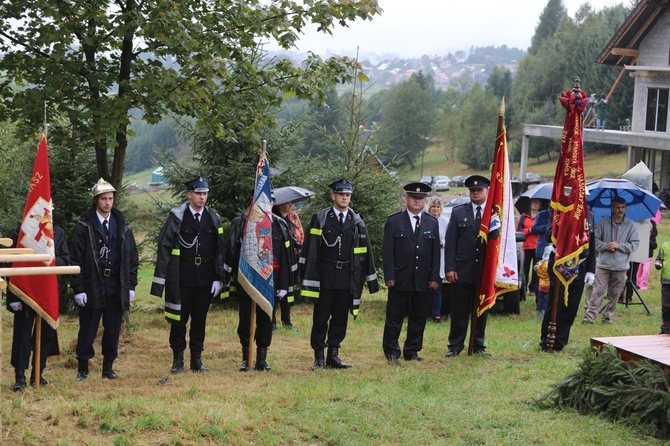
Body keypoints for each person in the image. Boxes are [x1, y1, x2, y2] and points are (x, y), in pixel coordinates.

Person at [300, 179, 379, 370]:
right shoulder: (321, 218)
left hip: (347, 277)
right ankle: (319, 356)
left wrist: (370, 280)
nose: (345, 198)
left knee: (340, 317)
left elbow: (366, 250)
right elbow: (309, 250)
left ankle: (333, 355)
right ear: (333, 196)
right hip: (325, 276)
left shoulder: (356, 221)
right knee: (321, 317)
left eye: (348, 195)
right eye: (341, 194)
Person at [151, 177, 224, 374]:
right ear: (189, 194)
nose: (202, 197)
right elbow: (164, 248)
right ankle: (178, 359)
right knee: (178, 320)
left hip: (205, 279)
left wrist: (218, 277)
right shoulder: (177, 218)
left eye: (205, 193)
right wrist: (160, 282)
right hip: (182, 278)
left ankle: (197, 359)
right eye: (199, 193)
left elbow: (220, 250)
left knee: (200, 320)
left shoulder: (213, 217)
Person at [70, 178, 139, 380]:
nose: (107, 203)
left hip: (116, 285)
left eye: (110, 199)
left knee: (113, 328)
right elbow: (76, 259)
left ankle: (108, 368)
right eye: (103, 199)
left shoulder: (122, 224)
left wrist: (131, 286)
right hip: (92, 284)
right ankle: (83, 368)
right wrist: (79, 288)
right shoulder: (84, 226)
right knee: (88, 328)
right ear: (96, 200)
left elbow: (132, 258)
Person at [225, 193, 296, 372]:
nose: (266, 203)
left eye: (269, 200)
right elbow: (231, 252)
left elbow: (286, 258)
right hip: (247, 280)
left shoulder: (279, 225)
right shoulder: (241, 222)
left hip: (271, 281)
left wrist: (283, 285)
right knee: (245, 320)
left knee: (266, 320)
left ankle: (261, 359)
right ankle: (245, 358)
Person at [382, 183, 440, 364]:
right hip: (400, 277)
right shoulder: (394, 221)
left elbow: (435, 253)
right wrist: (390, 274)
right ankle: (392, 351)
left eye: (421, 198)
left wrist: (434, 277)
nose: (417, 200)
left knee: (419, 316)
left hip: (423, 278)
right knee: (395, 317)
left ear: (425, 200)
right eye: (413, 197)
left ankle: (412, 350)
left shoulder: (432, 222)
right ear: (406, 199)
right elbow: (387, 251)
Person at [6, 225, 70, 391]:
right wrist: (13, 296)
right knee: (22, 335)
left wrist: (49, 259)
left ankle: (38, 373)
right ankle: (20, 376)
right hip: (24, 290)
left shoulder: (57, 232)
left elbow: (65, 258)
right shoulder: (18, 232)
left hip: (47, 291)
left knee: (47, 334)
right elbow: (8, 261)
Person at [444, 174, 491, 357]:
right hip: (462, 270)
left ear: (487, 191)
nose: (476, 193)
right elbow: (451, 242)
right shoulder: (458, 212)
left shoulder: (494, 213)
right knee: (459, 311)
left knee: (481, 310)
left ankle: (478, 344)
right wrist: (450, 268)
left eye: (479, 190)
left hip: (484, 272)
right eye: (473, 190)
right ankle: (455, 346)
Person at [541, 210, 596, 351]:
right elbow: (548, 235)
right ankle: (547, 340)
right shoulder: (557, 211)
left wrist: (591, 269)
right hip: (560, 261)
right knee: (555, 302)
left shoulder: (589, 215)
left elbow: (591, 243)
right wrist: (563, 226)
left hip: (580, 263)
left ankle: (560, 341)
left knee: (572, 304)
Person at [583, 197, 639, 324]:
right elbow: (594, 241)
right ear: (612, 208)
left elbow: (635, 244)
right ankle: (589, 317)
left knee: (615, 293)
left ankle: (608, 317)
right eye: (618, 207)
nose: (620, 210)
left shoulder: (631, 225)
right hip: (604, 264)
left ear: (625, 208)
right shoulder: (603, 223)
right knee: (598, 292)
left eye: (623, 207)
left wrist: (619, 246)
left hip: (621, 266)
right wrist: (605, 246)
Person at [271, 198, 304, 330]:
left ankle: (287, 320)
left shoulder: (293, 217)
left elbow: (301, 234)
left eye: (291, 203)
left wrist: (298, 244)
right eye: (286, 202)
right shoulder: (274, 218)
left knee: (288, 290)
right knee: (274, 290)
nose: (290, 205)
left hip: (292, 258)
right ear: (279, 204)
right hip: (277, 259)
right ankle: (272, 321)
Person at [424, 196, 448, 323]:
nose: (435, 209)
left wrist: (442, 243)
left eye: (438, 207)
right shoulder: (424, 220)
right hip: (425, 257)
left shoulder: (444, 222)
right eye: (433, 206)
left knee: (436, 287)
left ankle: (436, 314)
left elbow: (449, 238)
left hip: (439, 257)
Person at [517, 198, 542, 296]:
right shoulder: (523, 217)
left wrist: (535, 230)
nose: (535, 205)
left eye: (538, 203)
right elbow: (518, 230)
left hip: (538, 246)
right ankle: (523, 288)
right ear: (530, 204)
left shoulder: (542, 216)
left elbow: (543, 229)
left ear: (540, 206)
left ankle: (533, 289)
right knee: (524, 269)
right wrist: (530, 231)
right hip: (526, 246)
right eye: (534, 203)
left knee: (536, 270)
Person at [654, 239, 670, 334]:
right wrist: (658, 264)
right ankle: (666, 327)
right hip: (666, 280)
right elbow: (659, 258)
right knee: (666, 306)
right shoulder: (665, 245)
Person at [533, 244, 552, 320]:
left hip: (541, 285)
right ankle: (544, 316)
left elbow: (535, 268)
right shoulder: (549, 265)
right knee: (546, 302)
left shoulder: (540, 264)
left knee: (540, 301)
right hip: (548, 286)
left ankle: (538, 315)